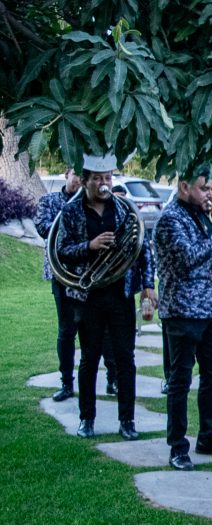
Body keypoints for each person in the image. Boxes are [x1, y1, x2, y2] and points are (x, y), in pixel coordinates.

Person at [54, 155, 156, 439]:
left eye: (108, 178)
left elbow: (143, 248)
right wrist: (90, 245)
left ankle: (128, 421)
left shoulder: (124, 208)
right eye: (98, 179)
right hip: (88, 297)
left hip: (120, 295)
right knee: (89, 359)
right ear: (85, 182)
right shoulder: (71, 212)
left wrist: (148, 285)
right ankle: (86, 419)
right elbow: (60, 251)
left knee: (126, 359)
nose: (104, 184)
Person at [155, 171, 212, 471]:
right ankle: (178, 447)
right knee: (180, 381)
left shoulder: (204, 216)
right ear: (184, 187)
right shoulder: (170, 219)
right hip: (182, 311)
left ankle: (208, 438)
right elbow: (187, 258)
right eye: (205, 189)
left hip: (211, 308)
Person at [35, 168, 117, 401]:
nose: (79, 181)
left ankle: (113, 378)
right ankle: (66, 383)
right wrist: (71, 221)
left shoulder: (97, 203)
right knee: (67, 330)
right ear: (67, 175)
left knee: (105, 330)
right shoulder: (50, 201)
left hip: (95, 275)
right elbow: (43, 228)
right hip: (63, 276)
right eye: (75, 175)